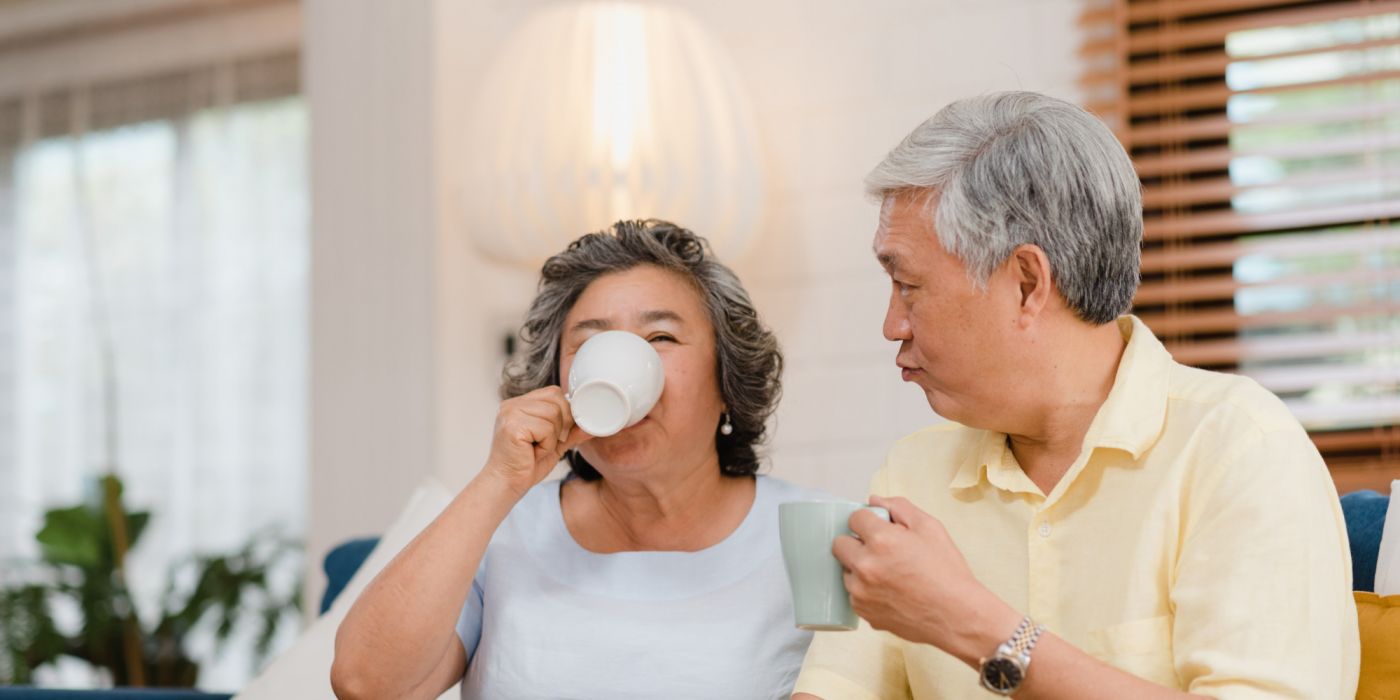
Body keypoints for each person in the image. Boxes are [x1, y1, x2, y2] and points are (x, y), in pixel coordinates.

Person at [792, 92, 1359, 699]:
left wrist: (972, 624)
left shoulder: (1239, 448)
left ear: (1027, 284)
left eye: (908, 286)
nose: (892, 325)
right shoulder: (913, 473)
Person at [331, 219, 826, 700]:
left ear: (727, 380)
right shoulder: (501, 532)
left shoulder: (820, 534)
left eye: (660, 338)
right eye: (591, 343)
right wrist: (500, 480)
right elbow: (366, 685)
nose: (628, 361)